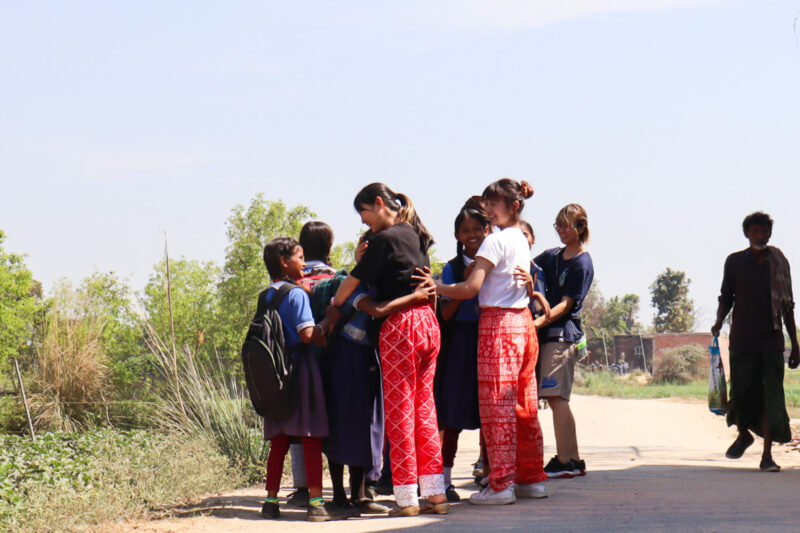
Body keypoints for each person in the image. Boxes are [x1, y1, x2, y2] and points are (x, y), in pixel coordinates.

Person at [415, 178, 551, 505]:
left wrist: (435, 285)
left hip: (498, 325)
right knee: (524, 405)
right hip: (523, 324)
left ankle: (500, 484)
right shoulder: (521, 237)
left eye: (493, 204)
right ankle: (531, 478)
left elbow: (470, 287)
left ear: (513, 206)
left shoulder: (495, 241)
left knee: (497, 407)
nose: (488, 210)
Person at [332, 183, 448, 516]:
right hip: (428, 324)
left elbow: (349, 287)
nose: (364, 222)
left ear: (379, 204)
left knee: (399, 412)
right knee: (425, 409)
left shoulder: (383, 240)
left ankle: (407, 498)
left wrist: (339, 303)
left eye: (364, 214)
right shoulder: (415, 234)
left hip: (400, 327)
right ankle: (435, 494)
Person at [260, 237, 350, 522]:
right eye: (299, 258)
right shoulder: (296, 294)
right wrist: (330, 319)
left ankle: (271, 501)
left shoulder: (266, 295)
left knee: (279, 440)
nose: (304, 264)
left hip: (274, 376)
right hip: (300, 369)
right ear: (284, 262)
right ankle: (315, 503)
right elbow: (308, 335)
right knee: (310, 436)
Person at [711, 211, 800, 472]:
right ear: (747, 234)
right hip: (742, 340)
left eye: (764, 232)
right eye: (755, 231)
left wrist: (794, 344)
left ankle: (767, 455)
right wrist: (718, 320)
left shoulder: (779, 262)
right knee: (741, 393)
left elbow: (787, 305)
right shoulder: (735, 262)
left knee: (771, 398)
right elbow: (726, 296)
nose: (760, 236)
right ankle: (744, 434)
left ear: (769, 234)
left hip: (771, 341)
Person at [434, 197, 492, 502]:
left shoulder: (496, 262)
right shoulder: (453, 268)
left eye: (476, 229)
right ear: (457, 236)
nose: (471, 236)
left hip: (488, 340)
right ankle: (443, 479)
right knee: (452, 415)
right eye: (464, 231)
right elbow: (444, 313)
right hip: (458, 344)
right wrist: (466, 283)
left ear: (487, 230)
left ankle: (489, 474)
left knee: (488, 413)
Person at [534, 204, 594, 479]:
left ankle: (563, 460)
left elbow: (568, 304)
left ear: (580, 228)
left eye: (566, 226)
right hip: (552, 333)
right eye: (557, 225)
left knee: (556, 398)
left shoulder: (582, 262)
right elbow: (528, 264)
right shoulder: (551, 256)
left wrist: (539, 320)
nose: (561, 231)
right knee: (560, 399)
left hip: (562, 335)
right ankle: (573, 460)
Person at [285, 221, 340, 509]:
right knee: (331, 422)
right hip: (332, 360)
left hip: (300, 363)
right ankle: (340, 489)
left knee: (299, 428)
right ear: (329, 247)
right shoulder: (337, 278)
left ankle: (302, 488)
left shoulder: (293, 282)